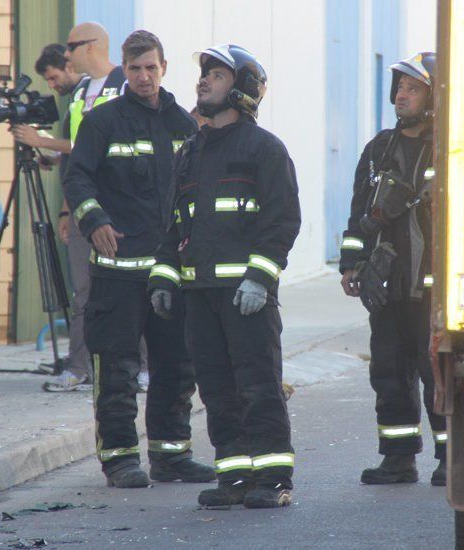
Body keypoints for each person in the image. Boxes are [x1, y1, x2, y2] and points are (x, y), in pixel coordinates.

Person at [148, 44, 301, 508]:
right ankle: (234, 476)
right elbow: (176, 225)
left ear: (242, 90)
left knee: (257, 386)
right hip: (200, 296)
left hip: (245, 296)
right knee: (216, 389)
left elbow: (282, 222)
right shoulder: (191, 152)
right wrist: (163, 277)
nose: (203, 81)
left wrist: (260, 277)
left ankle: (273, 479)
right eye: (205, 74)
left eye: (216, 75)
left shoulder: (265, 149)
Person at [64, 30, 213, 488]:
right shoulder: (103, 121)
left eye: (151, 67)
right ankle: (120, 459)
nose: (144, 77)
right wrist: (94, 222)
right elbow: (77, 178)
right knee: (117, 368)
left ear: (164, 67)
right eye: (135, 69)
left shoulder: (184, 126)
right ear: (123, 71)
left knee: (176, 366)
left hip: (169, 274)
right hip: (117, 275)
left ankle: (171, 456)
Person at [339, 52, 447, 486]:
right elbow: (358, 212)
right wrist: (351, 262)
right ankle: (398, 457)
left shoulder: (451, 146)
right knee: (387, 370)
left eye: (412, 87)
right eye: (399, 86)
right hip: (386, 283)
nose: (401, 94)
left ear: (434, 95)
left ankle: (449, 457)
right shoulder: (379, 148)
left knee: (434, 370)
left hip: (433, 287)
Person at [10, 43, 91, 392]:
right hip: (78, 205)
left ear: (69, 66)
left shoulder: (90, 94)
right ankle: (82, 364)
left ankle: (79, 368)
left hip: (97, 207)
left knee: (87, 293)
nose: (53, 85)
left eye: (55, 77)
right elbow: (76, 157)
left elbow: (86, 145)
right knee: (84, 292)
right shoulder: (75, 97)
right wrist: (53, 161)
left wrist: (39, 138)